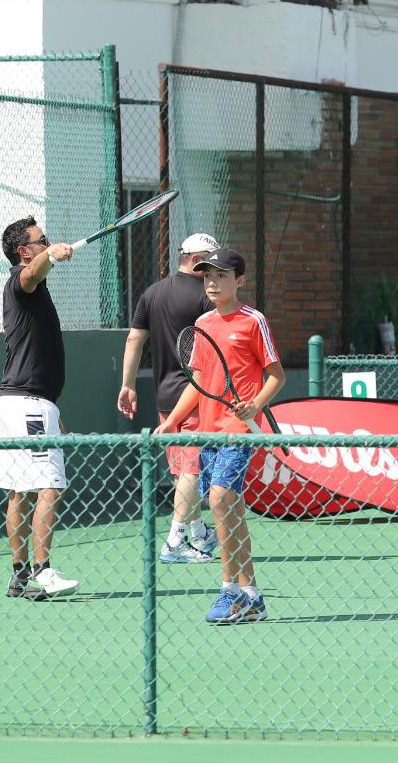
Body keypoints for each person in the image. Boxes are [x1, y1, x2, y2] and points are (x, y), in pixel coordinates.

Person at [156, 248, 285, 625]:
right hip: (208, 430)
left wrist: (254, 404)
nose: (212, 282)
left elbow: (276, 375)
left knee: (219, 499)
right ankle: (252, 595)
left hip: (238, 431)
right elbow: (196, 385)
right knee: (230, 510)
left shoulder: (253, 321)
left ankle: (229, 590)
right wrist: (172, 421)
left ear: (239, 281)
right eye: (207, 276)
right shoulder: (202, 325)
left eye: (221, 275)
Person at [119, 231, 221, 563]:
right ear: (194, 259)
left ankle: (198, 533)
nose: (214, 272)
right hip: (195, 398)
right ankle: (175, 541)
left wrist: (128, 384)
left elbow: (134, 340)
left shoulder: (151, 293)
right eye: (209, 261)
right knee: (191, 470)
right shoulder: (208, 296)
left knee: (182, 471)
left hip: (164, 398)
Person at [0, 216, 80, 601]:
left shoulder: (32, 288)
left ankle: (19, 575)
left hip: (26, 401)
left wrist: (52, 407)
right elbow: (31, 274)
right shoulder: (21, 282)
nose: (47, 243)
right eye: (40, 240)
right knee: (49, 485)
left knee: (21, 490)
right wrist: (51, 255)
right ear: (24, 251)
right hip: (27, 403)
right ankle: (42, 571)